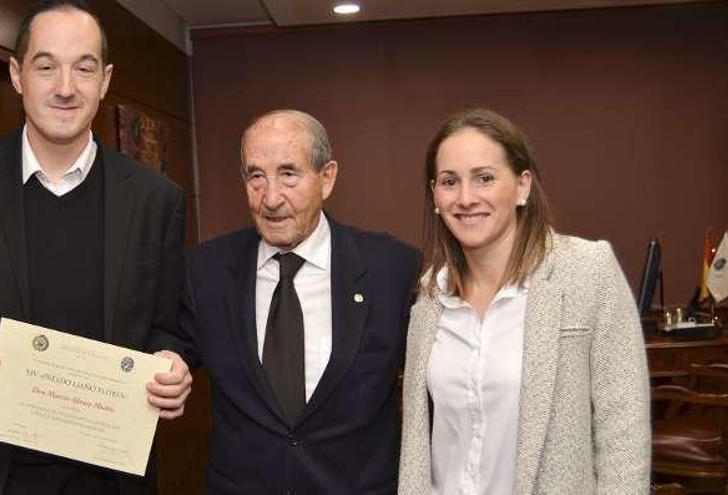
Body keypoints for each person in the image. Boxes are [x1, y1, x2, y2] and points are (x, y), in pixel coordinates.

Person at [0, 1, 191, 494]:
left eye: (84, 68)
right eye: (46, 66)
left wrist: (171, 364)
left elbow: (169, 327)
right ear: (17, 74)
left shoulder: (158, 199)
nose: (66, 87)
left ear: (106, 80)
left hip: (108, 474)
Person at [398, 108, 650, 494]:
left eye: (484, 178)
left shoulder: (586, 272)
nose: (466, 198)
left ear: (522, 186)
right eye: (450, 181)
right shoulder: (431, 294)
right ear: (435, 195)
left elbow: (624, 434)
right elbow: (421, 441)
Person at [177, 109, 419, 493]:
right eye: (256, 176)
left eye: (289, 174)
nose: (270, 198)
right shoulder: (204, 270)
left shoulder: (392, 269)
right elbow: (173, 343)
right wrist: (167, 359)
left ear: (327, 178)